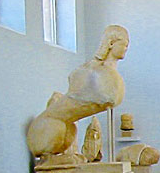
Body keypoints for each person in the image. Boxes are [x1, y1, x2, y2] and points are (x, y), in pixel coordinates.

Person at [27, 25, 129, 165]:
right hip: (45, 131)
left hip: (58, 127)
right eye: (124, 44)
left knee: (71, 129)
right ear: (111, 43)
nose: (126, 48)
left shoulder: (105, 73)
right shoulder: (91, 70)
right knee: (65, 128)